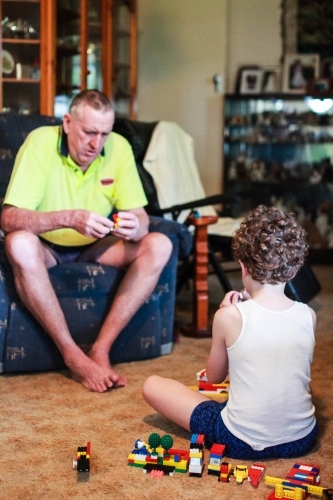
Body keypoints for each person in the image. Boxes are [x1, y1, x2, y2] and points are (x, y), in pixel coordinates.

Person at [1, 89, 173, 393]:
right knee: (18, 243)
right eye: (89, 132)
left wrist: (135, 227)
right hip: (47, 248)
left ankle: (101, 349)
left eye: (104, 134)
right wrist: (68, 218)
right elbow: (9, 218)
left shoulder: (118, 148)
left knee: (159, 244)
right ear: (68, 123)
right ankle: (73, 356)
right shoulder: (40, 142)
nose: (96, 144)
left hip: (97, 247)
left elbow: (142, 219)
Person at [142, 205, 318, 460]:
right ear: (294, 269)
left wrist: (225, 316)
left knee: (152, 385)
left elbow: (214, 377)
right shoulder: (308, 315)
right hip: (302, 439)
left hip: (239, 441)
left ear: (243, 266)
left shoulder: (228, 316)